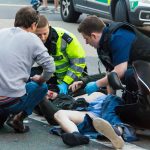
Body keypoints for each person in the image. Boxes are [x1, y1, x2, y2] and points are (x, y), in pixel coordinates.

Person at [0, 7, 55, 133]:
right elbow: (50, 67)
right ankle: (18, 119)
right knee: (41, 87)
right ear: (34, 25)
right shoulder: (32, 39)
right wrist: (41, 79)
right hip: (11, 101)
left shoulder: (1, 32)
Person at [72, 15, 150, 103]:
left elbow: (120, 71)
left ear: (93, 36)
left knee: (129, 75)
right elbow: (111, 74)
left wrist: (97, 84)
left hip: (146, 67)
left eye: (86, 39)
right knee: (123, 79)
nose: (86, 43)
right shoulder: (102, 46)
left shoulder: (119, 36)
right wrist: (110, 99)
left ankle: (142, 105)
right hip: (142, 68)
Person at [34, 15, 87, 95]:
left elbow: (78, 63)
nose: (43, 38)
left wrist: (65, 83)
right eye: (39, 35)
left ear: (49, 27)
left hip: (72, 79)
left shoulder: (65, 38)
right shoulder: (31, 39)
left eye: (45, 33)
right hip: (52, 76)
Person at [53, 92, 126, 149]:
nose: (48, 94)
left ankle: (117, 134)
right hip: (92, 115)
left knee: (110, 113)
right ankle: (77, 136)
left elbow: (110, 83)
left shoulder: (97, 93)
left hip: (107, 104)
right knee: (59, 114)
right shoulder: (65, 102)